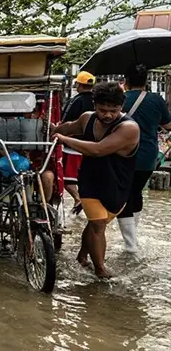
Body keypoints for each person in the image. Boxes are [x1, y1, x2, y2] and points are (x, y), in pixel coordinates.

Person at [51, 81, 140, 279]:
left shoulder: (129, 128)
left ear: (121, 107)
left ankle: (82, 256)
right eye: (102, 110)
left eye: (113, 110)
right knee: (98, 223)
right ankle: (100, 270)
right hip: (90, 181)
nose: (107, 115)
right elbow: (69, 127)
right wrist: (52, 129)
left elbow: (98, 150)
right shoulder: (87, 118)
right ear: (94, 105)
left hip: (118, 184)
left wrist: (65, 140)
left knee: (95, 224)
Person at [117, 64, 171, 253]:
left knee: (124, 195)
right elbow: (168, 125)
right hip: (148, 155)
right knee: (137, 192)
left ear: (126, 81)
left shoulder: (119, 99)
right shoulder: (156, 99)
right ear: (146, 81)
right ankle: (133, 235)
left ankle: (130, 244)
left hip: (123, 154)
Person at [61, 71, 95, 212]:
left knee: (65, 178)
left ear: (78, 85)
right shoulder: (98, 101)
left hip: (73, 147)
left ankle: (77, 199)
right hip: (94, 147)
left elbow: (65, 122)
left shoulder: (76, 100)